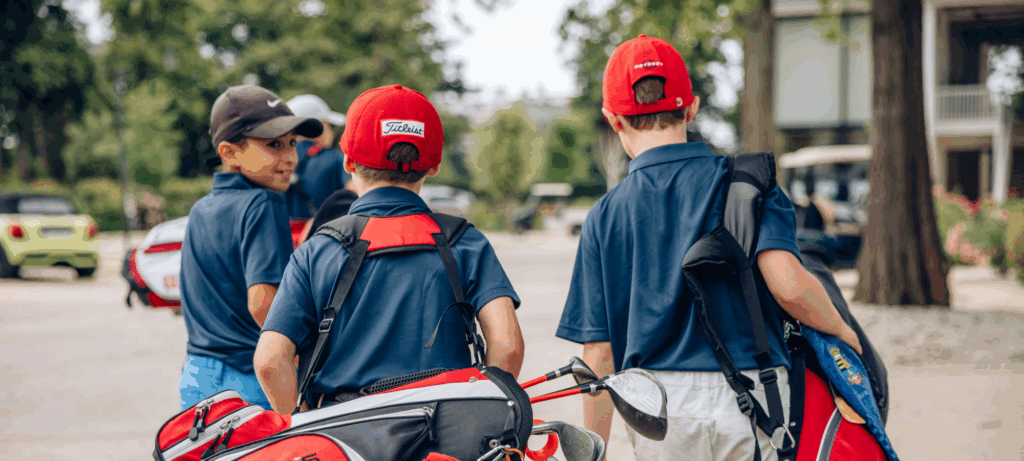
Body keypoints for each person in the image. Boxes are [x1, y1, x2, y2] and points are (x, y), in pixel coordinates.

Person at [554, 35, 863, 460]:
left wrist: (595, 450)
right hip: (752, 392)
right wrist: (843, 331)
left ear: (614, 119)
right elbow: (788, 285)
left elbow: (599, 353)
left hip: (657, 407)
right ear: (691, 107)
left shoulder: (604, 216)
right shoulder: (749, 184)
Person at [254, 84, 525, 414]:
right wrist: (483, 413)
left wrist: (302, 423)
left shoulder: (317, 249)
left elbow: (270, 360)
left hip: (344, 436)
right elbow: (507, 346)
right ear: (434, 165)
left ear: (349, 163)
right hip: (444, 433)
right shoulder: (465, 242)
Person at [178, 85, 324, 410]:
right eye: (273, 145)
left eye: (292, 143)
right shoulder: (264, 204)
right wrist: (297, 365)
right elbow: (263, 303)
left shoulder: (201, 209)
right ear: (230, 153)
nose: (289, 157)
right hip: (249, 381)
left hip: (197, 375)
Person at [284, 94, 355, 219]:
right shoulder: (337, 158)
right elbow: (355, 192)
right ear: (320, 126)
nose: (332, 133)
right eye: (330, 125)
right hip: (326, 234)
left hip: (285, 235)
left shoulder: (277, 160)